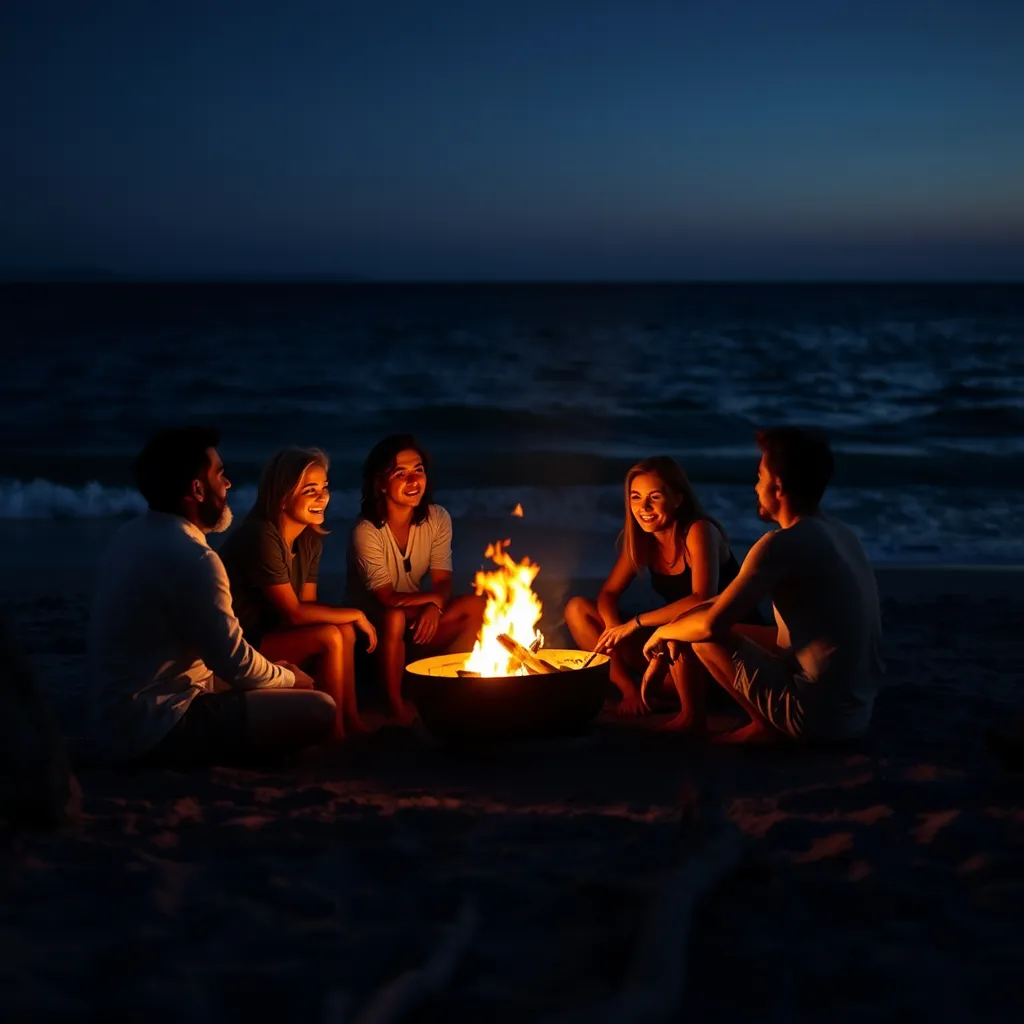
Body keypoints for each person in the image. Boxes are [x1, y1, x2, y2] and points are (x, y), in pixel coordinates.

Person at [87, 427, 337, 768]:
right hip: (157, 726)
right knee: (318, 708)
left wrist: (275, 672)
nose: (228, 485)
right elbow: (236, 664)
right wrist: (292, 677)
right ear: (197, 489)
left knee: (275, 682)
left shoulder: (128, 536)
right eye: (220, 474)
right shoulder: (195, 558)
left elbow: (219, 660)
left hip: (112, 719)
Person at [642, 428, 884, 744]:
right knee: (693, 625)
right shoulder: (840, 533)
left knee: (704, 636)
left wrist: (661, 633)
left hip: (815, 721)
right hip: (854, 715)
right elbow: (727, 613)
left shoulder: (779, 544)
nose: (755, 487)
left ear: (778, 487)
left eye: (759, 477)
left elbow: (712, 626)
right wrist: (677, 626)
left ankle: (764, 726)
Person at [566, 456, 758, 723]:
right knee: (578, 609)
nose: (643, 506)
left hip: (720, 639)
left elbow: (702, 598)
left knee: (677, 633)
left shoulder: (698, 530)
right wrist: (614, 628)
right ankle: (629, 691)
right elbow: (608, 594)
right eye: (635, 497)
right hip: (671, 639)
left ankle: (684, 700)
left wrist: (635, 623)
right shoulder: (643, 539)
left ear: (677, 498)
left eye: (654, 497)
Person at [220, 447, 378, 740]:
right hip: (241, 646)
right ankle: (333, 731)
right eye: (310, 490)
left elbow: (308, 606)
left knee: (342, 630)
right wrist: (357, 613)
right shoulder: (261, 536)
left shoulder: (308, 540)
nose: (322, 498)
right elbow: (293, 613)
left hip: (273, 634)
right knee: (332, 633)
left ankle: (350, 719)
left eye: (324, 488)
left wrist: (347, 621)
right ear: (282, 497)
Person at [347, 434, 485, 724]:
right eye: (401, 473)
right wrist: (432, 600)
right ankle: (394, 704)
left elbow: (442, 583)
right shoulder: (366, 531)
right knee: (395, 617)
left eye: (418, 470)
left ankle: (454, 683)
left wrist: (434, 606)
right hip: (372, 633)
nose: (413, 481)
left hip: (414, 621)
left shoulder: (437, 518)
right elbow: (386, 599)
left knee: (476, 605)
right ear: (381, 483)